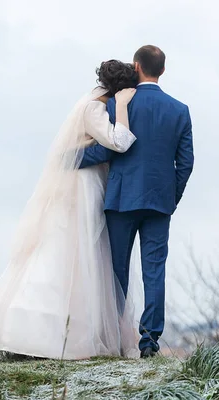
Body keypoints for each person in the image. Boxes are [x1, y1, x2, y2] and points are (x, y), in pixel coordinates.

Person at [0, 60, 142, 360]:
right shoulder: (94, 108)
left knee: (74, 251)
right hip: (82, 187)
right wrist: (123, 106)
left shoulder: (88, 103)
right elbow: (119, 141)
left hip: (81, 183)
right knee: (74, 250)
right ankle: (45, 334)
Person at [79, 45, 194, 358]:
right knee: (154, 271)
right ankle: (149, 342)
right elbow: (186, 163)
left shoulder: (120, 101)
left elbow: (107, 149)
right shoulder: (180, 110)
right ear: (162, 70)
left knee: (117, 271)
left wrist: (72, 159)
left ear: (136, 66)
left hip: (121, 199)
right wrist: (171, 196)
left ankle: (115, 336)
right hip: (160, 203)